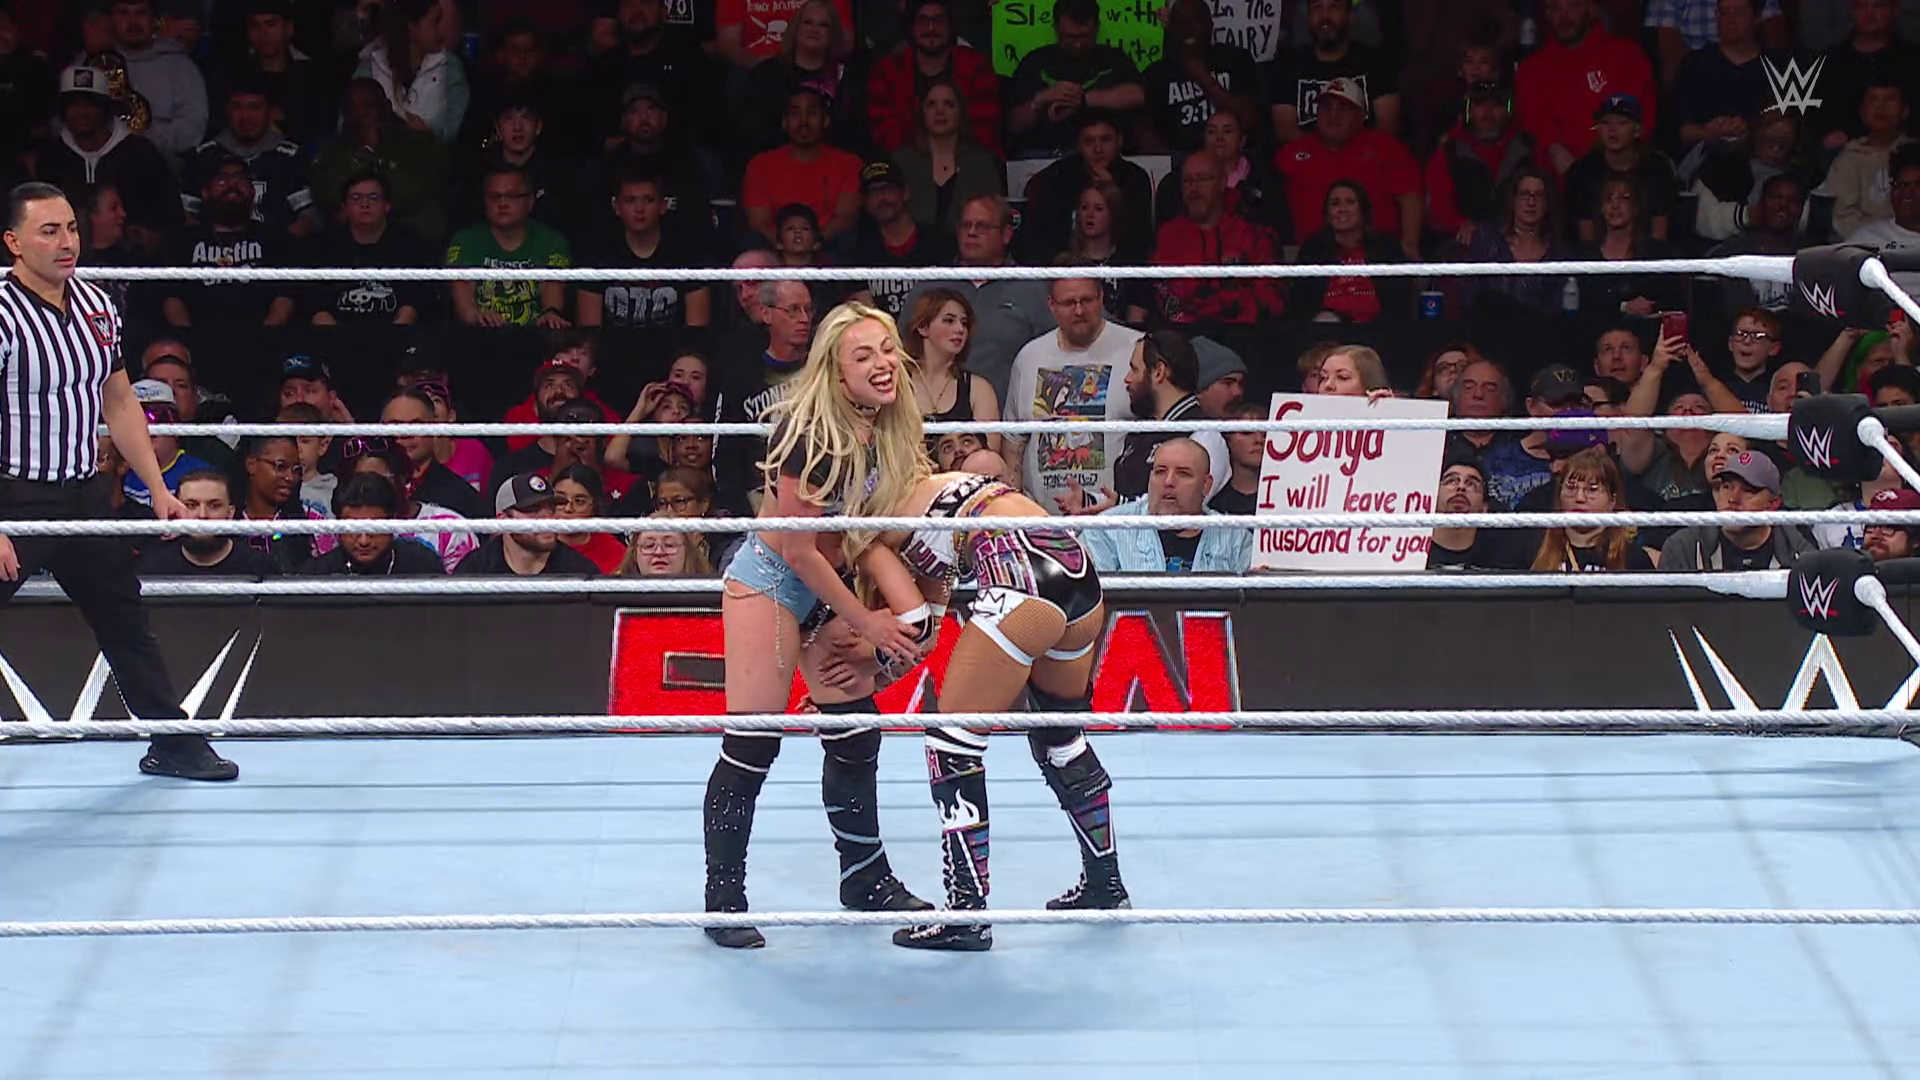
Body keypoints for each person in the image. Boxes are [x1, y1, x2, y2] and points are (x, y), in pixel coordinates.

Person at [702, 300, 934, 950]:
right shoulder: (810, 435)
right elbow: (799, 549)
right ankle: (724, 901)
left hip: (832, 588)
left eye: (886, 350)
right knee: (754, 742)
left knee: (856, 731)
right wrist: (870, 622)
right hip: (773, 585)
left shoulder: (889, 429)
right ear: (836, 372)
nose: (882, 364)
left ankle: (864, 880)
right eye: (864, 355)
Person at [0, 182, 235, 780]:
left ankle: (174, 743)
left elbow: (120, 399)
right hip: (13, 497)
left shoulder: (97, 305)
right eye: (49, 231)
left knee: (126, 619)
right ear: (14, 243)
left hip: (84, 494)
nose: (66, 242)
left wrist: (157, 488)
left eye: (71, 228)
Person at [867, 469, 1131, 951]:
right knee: (1061, 736)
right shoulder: (941, 488)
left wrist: (865, 669)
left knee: (952, 744)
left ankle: (967, 912)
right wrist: (878, 675)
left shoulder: (873, 532)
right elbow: (931, 620)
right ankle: (1105, 883)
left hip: (1020, 577)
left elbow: (915, 624)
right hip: (1076, 573)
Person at [299, 473, 447, 576]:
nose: (364, 541)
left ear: (392, 521)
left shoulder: (422, 565)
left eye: (374, 529)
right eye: (353, 529)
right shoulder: (318, 574)